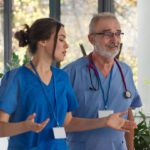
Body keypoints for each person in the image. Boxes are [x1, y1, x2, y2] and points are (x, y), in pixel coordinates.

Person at [0, 17, 137, 150]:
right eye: (61, 39)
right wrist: (25, 126)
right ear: (42, 41)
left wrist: (105, 121)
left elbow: (68, 122)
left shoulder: (61, 77)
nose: (66, 45)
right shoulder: (15, 78)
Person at [64, 12, 142, 150]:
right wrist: (103, 121)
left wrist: (131, 148)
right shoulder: (71, 73)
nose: (115, 39)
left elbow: (128, 113)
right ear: (91, 39)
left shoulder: (126, 71)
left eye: (118, 34)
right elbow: (61, 122)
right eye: (107, 34)